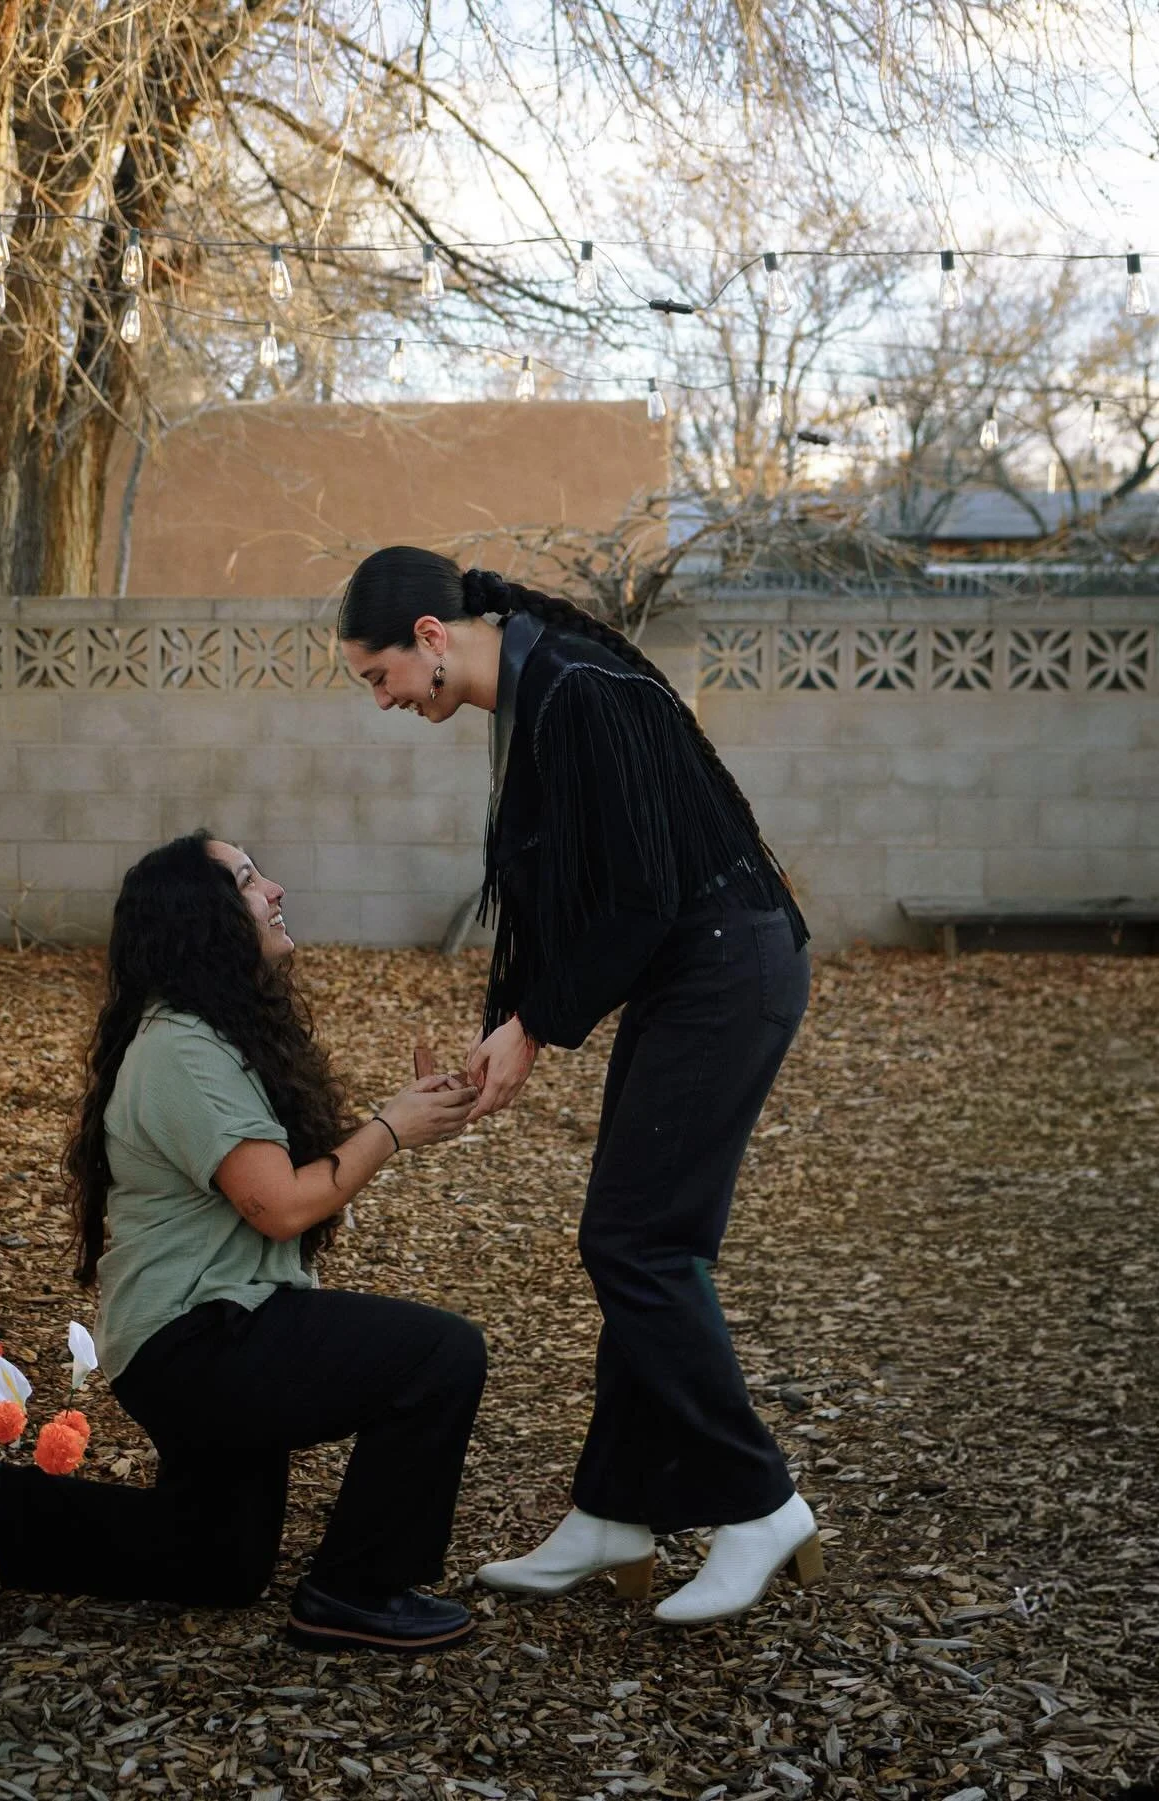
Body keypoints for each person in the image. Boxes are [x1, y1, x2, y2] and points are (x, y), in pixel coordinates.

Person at [339, 547, 822, 1627]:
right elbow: (564, 894)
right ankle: (616, 1510)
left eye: (377, 676)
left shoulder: (576, 690)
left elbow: (644, 896)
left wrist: (538, 1032)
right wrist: (500, 1033)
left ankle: (759, 1500)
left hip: (725, 968)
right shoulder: (541, 686)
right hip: (698, 972)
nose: (381, 702)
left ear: (429, 637)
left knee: (635, 1244)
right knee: (650, 1238)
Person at [0, 831, 486, 1654]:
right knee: (440, 1356)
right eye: (251, 881)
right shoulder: (183, 1048)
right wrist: (392, 1129)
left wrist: (403, 1112)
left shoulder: (206, 1037)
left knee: (218, 1559)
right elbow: (280, 1206)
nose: (277, 889)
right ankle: (356, 1591)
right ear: (203, 920)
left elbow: (282, 1180)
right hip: (200, 1340)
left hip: (194, 1338)